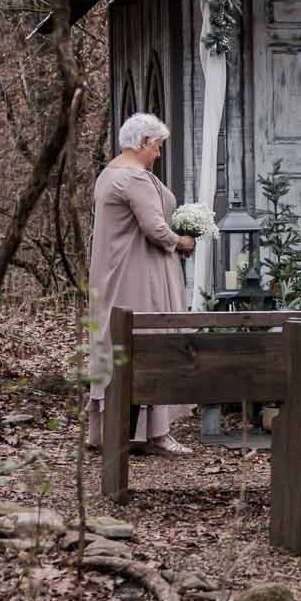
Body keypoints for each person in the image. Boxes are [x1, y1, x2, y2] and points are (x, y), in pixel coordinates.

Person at [87, 111, 196, 455]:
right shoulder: (133, 178)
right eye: (157, 146)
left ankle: (114, 431)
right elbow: (155, 227)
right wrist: (183, 242)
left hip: (113, 272)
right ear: (144, 142)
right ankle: (156, 434)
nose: (159, 154)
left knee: (114, 341)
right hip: (139, 273)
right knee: (150, 338)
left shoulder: (108, 174)